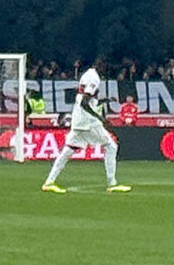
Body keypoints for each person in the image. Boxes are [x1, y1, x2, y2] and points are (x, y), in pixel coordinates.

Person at [41, 64, 127, 193]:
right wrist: (100, 118)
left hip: (78, 121)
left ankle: (49, 182)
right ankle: (112, 183)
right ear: (101, 67)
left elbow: (88, 99)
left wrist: (105, 100)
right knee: (111, 146)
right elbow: (84, 103)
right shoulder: (93, 78)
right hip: (88, 122)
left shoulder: (87, 76)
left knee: (67, 151)